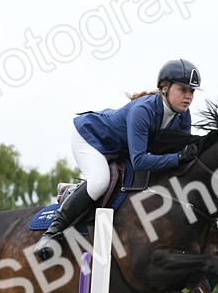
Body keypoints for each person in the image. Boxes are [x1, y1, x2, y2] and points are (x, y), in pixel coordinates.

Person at [35, 59, 203, 260]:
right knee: (99, 182)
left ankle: (73, 192)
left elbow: (178, 153)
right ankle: (52, 232)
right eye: (183, 89)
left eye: (192, 92)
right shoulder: (144, 111)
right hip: (92, 140)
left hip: (121, 149)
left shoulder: (183, 116)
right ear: (164, 88)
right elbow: (141, 160)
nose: (188, 97)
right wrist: (177, 158)